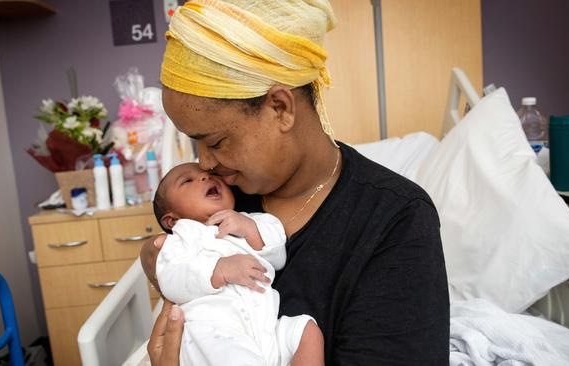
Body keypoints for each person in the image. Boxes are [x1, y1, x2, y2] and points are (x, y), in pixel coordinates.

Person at [141, 0, 450, 364]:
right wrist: (154, 263)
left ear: (280, 108)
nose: (205, 164)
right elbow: (166, 251)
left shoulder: (395, 220)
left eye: (215, 142)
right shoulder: (220, 196)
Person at [153, 162, 324, 365]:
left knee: (307, 330)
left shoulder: (251, 221)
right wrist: (218, 269)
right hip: (214, 330)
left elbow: (278, 256)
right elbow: (171, 280)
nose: (205, 177)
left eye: (209, 174)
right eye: (188, 181)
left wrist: (249, 228)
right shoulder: (180, 240)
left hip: (264, 327)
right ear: (171, 221)